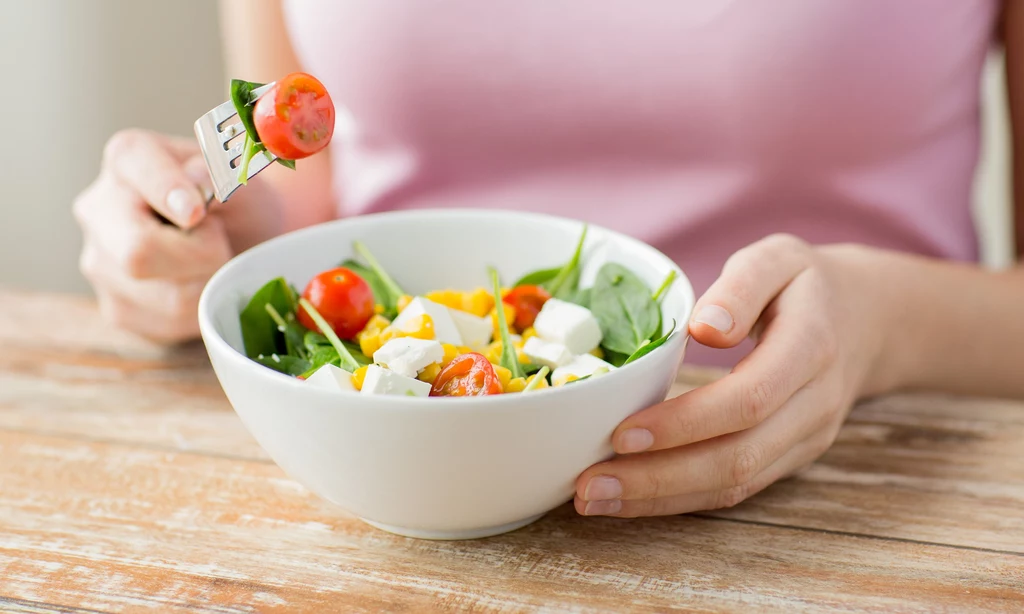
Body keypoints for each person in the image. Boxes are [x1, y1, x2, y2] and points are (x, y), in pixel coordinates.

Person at [74, 1, 1024, 519]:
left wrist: (883, 324)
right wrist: (198, 243)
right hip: (387, 498)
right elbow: (305, 204)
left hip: (869, 505)